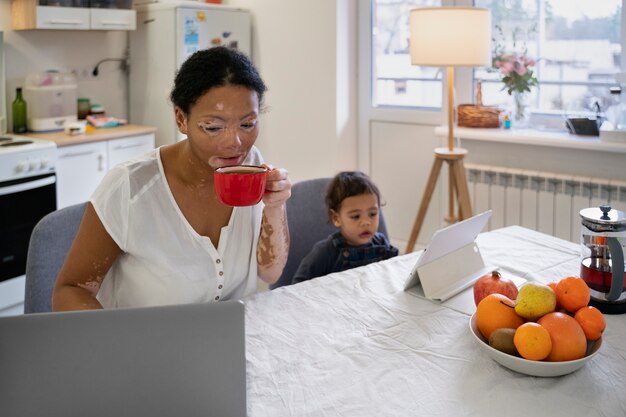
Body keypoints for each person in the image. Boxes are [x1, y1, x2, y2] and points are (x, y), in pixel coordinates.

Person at [52, 47, 291, 310]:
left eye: (247, 124)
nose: (234, 143)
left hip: (226, 339)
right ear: (181, 118)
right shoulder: (130, 187)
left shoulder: (252, 165)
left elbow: (270, 274)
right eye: (213, 127)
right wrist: (116, 346)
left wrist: (275, 206)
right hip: (146, 343)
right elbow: (70, 290)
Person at [291, 171, 397, 284]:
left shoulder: (381, 243)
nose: (366, 222)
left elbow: (392, 275)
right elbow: (298, 287)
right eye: (356, 216)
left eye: (372, 214)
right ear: (336, 218)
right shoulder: (325, 252)